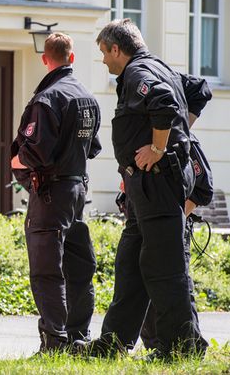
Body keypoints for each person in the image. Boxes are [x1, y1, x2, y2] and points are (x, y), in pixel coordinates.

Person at [83, 18, 207, 359]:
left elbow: (164, 102)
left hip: (157, 183)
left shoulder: (138, 73)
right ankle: (114, 343)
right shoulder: (158, 67)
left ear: (116, 49)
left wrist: (159, 146)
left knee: (163, 267)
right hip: (144, 190)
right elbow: (199, 89)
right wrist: (180, 132)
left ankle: (182, 348)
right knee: (130, 264)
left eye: (104, 54)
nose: (104, 61)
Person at [10, 32, 101, 353]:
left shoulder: (47, 99)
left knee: (47, 268)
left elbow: (36, 152)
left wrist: (14, 159)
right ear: (72, 57)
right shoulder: (87, 98)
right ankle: (79, 335)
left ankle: (54, 341)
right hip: (78, 190)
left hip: (50, 194)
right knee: (79, 266)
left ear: (45, 59)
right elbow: (93, 148)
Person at [139, 74, 213, 350]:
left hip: (170, 224)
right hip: (148, 221)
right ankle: (156, 344)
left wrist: (179, 217)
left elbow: (203, 186)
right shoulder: (146, 138)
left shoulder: (182, 142)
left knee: (176, 286)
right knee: (150, 286)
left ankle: (187, 344)